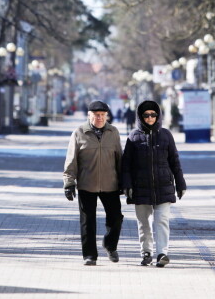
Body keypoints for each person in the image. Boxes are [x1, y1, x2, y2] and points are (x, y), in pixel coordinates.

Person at [121, 100, 186, 267]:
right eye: (146, 115)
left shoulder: (165, 135)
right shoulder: (133, 136)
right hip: (140, 187)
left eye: (153, 115)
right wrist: (126, 185)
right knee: (144, 222)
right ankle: (146, 252)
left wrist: (180, 183)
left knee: (162, 220)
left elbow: (174, 161)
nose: (150, 118)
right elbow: (126, 164)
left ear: (158, 116)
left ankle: (162, 253)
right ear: (140, 117)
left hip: (163, 185)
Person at [63, 100, 124, 266]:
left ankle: (110, 244)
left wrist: (124, 181)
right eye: (96, 115)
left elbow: (120, 158)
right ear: (89, 115)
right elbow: (71, 159)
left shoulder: (113, 132)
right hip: (86, 184)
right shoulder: (79, 133)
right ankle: (90, 255)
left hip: (110, 183)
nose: (100, 118)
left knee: (116, 218)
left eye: (103, 115)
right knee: (87, 221)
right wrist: (69, 183)